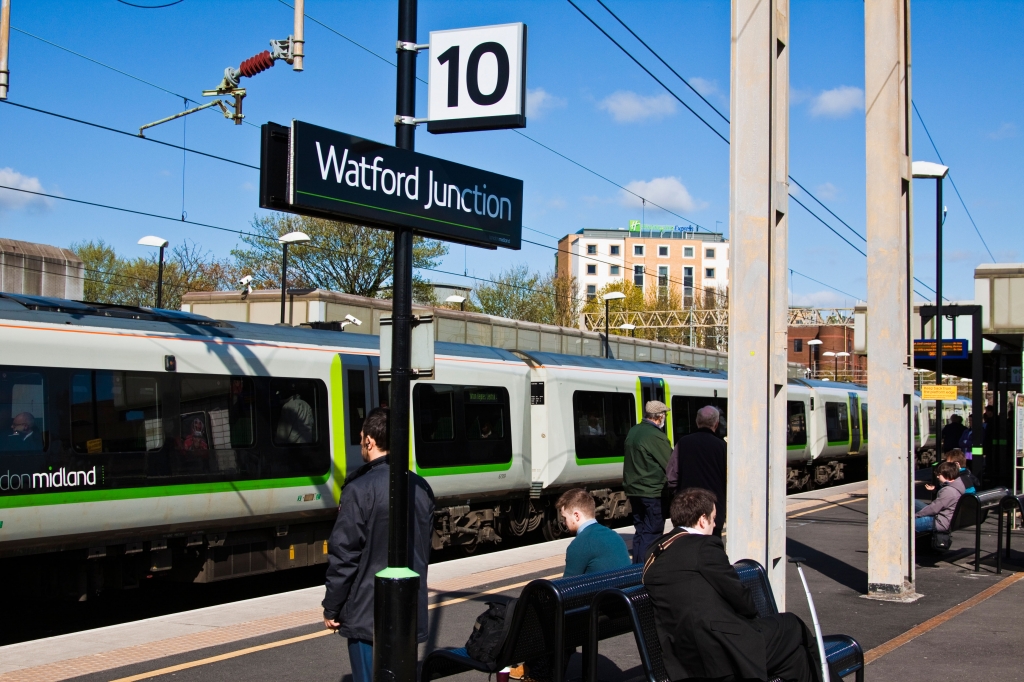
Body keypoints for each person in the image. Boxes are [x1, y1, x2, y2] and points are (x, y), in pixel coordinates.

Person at [644, 488, 822, 682]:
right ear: (703, 520)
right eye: (713, 519)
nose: (714, 525)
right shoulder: (704, 547)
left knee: (797, 659)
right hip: (721, 655)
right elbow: (741, 599)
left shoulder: (655, 551)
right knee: (793, 625)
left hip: (682, 659)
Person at [322, 407, 435, 682]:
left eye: (361, 437)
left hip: (366, 613)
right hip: (407, 611)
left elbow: (345, 554)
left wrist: (332, 606)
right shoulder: (421, 488)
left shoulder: (358, 489)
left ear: (369, 441)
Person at [623, 400, 672, 564]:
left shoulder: (634, 431)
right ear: (659, 417)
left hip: (634, 491)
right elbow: (670, 463)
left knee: (640, 531)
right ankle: (647, 567)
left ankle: (636, 567)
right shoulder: (655, 436)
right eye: (664, 415)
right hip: (653, 492)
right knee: (652, 532)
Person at [667, 405, 727, 536]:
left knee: (687, 546)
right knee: (711, 548)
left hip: (687, 508)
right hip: (714, 509)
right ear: (716, 424)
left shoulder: (683, 443)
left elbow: (672, 477)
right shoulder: (723, 447)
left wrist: (679, 495)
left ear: (697, 422)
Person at [557, 488, 631, 577]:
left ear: (576, 515)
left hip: (602, 591)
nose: (564, 523)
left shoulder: (579, 545)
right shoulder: (615, 536)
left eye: (565, 518)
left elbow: (566, 586)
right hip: (625, 590)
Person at [915, 461, 965, 533]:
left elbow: (934, 509)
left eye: (939, 474)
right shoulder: (957, 485)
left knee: (906, 525)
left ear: (946, 474)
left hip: (940, 522)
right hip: (945, 517)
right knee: (913, 502)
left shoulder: (949, 491)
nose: (937, 477)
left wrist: (916, 515)